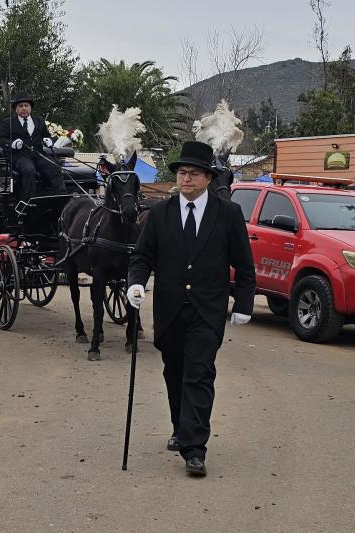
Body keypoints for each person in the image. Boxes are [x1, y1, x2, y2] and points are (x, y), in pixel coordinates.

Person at [126, 141, 256, 477]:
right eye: (182, 173)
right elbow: (142, 256)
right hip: (169, 309)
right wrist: (135, 283)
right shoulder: (160, 213)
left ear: (208, 178)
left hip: (207, 310)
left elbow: (244, 263)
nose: (186, 178)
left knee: (199, 374)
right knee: (174, 372)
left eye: (194, 173)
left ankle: (195, 449)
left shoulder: (228, 214)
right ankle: (180, 426)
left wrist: (243, 303)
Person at [0, 93, 65, 202]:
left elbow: (46, 135)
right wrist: (12, 144)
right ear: (16, 109)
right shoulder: (7, 123)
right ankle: (29, 203)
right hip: (20, 156)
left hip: (38, 154)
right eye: (20, 106)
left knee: (55, 167)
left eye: (26, 105)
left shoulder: (39, 121)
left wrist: (48, 140)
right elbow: (1, 139)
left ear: (30, 108)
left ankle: (61, 200)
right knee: (29, 170)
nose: (24, 108)